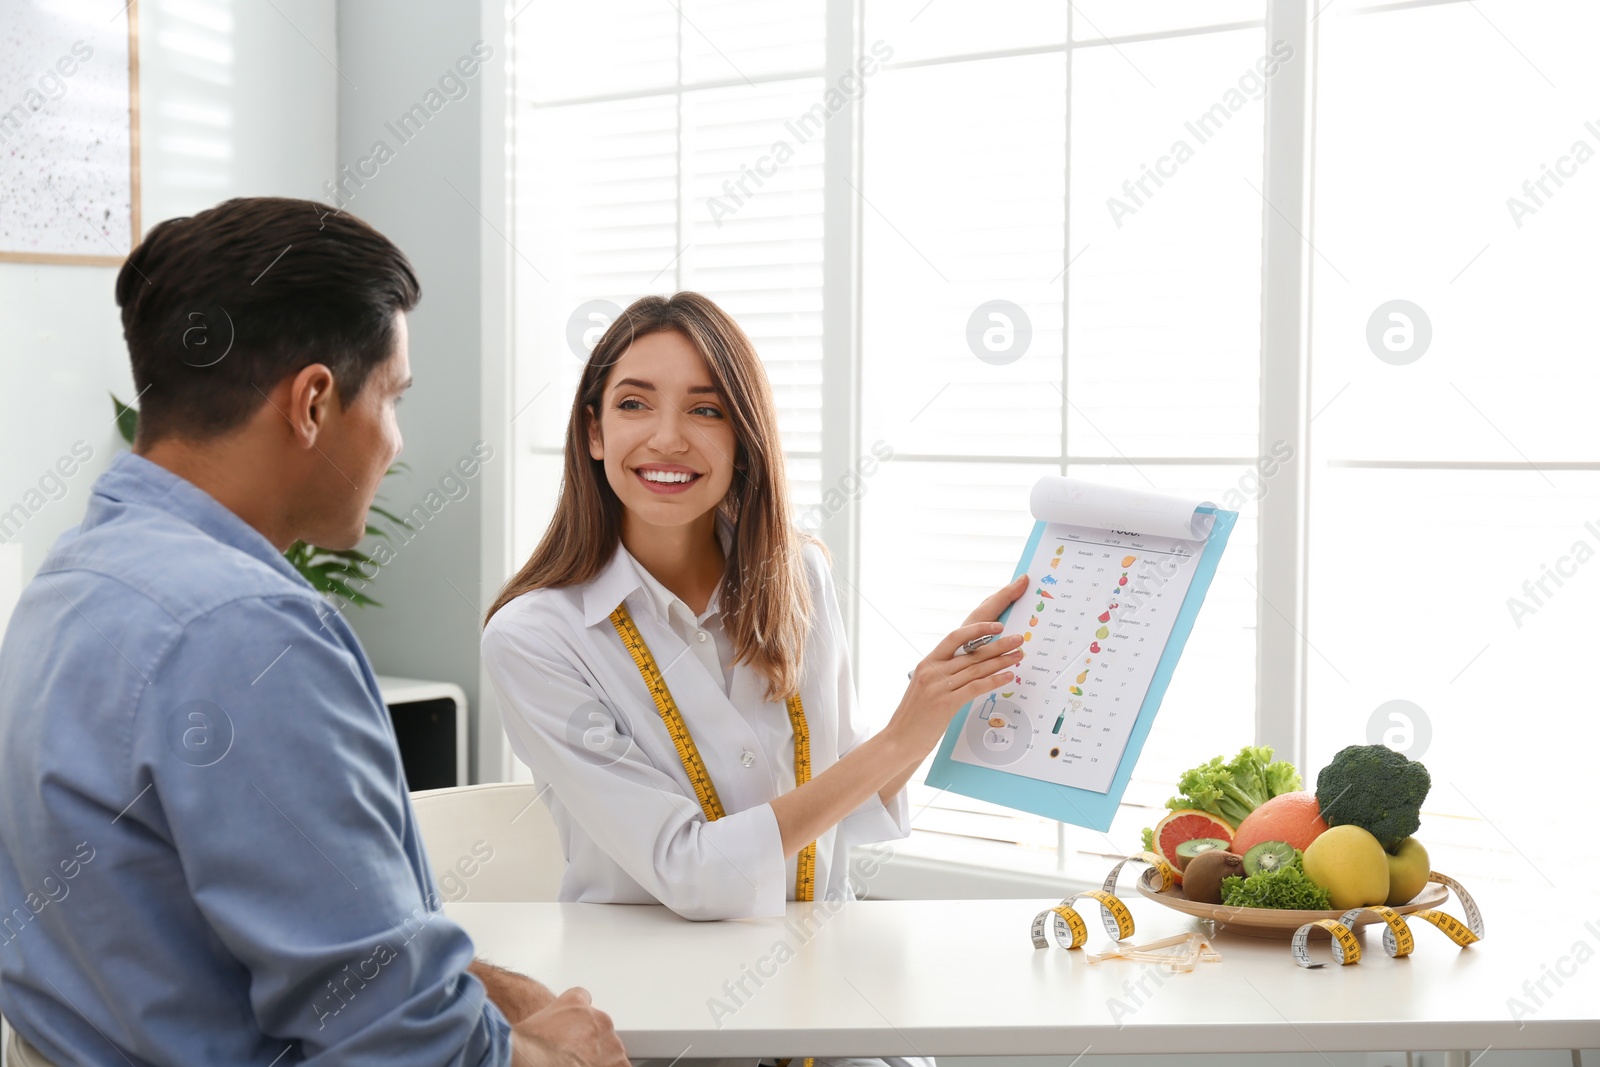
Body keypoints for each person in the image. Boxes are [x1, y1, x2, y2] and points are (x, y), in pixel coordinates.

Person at [0, 197, 626, 1067]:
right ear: (313, 404)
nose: (397, 443)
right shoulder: (248, 636)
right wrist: (554, 1059)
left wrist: (484, 987)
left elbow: (228, 936)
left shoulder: (71, 582)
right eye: (393, 398)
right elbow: (405, 1050)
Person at [480, 292, 1027, 927]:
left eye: (705, 409)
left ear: (743, 438)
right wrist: (898, 738)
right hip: (635, 987)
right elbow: (690, 870)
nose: (667, 438)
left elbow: (851, 806)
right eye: (634, 403)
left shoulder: (802, 578)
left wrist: (942, 701)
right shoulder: (533, 639)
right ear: (594, 433)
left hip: (816, 969)